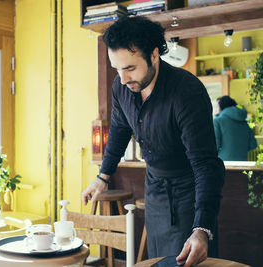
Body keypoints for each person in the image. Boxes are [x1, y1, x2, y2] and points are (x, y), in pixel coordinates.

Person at [81, 16, 225, 267]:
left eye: (130, 68)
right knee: (157, 261)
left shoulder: (186, 92)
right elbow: (119, 128)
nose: (123, 79)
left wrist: (202, 228)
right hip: (155, 188)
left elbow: (206, 165)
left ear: (155, 55)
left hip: (187, 192)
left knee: (184, 262)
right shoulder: (122, 86)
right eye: (117, 69)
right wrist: (103, 177)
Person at [214, 96, 257, 161]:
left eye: (217, 106)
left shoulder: (217, 121)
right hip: (243, 163)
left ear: (222, 106)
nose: (215, 109)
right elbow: (253, 145)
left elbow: (214, 146)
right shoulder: (244, 123)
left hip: (223, 163)